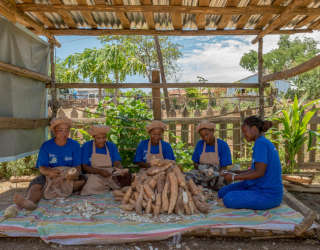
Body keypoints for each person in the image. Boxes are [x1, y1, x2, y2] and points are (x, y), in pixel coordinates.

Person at [13, 118, 85, 210]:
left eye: (67, 130)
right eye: (60, 130)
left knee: (82, 181)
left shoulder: (75, 145)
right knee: (36, 184)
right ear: (54, 131)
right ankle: (30, 202)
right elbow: (42, 167)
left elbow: (78, 167)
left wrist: (74, 174)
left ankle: (51, 190)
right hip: (50, 176)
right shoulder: (46, 146)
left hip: (68, 175)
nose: (64, 133)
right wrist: (49, 172)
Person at [219, 116, 283, 210]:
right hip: (257, 186)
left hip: (268, 194)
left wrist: (234, 177)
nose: (244, 135)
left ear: (253, 129)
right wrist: (237, 172)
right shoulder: (261, 142)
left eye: (245, 131)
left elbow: (259, 172)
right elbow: (255, 170)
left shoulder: (261, 144)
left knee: (229, 198)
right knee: (223, 192)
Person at [80, 125, 130, 195]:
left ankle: (111, 188)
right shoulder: (87, 146)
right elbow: (85, 167)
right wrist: (100, 171)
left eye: (104, 138)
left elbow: (117, 162)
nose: (101, 140)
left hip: (110, 173)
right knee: (90, 187)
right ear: (93, 137)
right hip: (94, 173)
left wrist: (120, 170)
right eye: (98, 138)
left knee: (124, 181)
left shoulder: (111, 146)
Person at [187, 121, 232, 189]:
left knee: (224, 178)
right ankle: (204, 186)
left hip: (217, 174)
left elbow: (224, 167)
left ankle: (208, 186)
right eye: (202, 136)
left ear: (213, 131)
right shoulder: (199, 144)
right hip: (202, 174)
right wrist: (203, 169)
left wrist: (213, 173)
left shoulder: (222, 145)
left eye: (207, 134)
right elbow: (195, 163)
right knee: (188, 176)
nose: (205, 138)